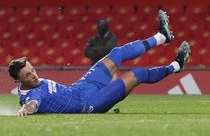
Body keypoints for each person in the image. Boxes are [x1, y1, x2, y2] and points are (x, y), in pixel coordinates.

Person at [9, 10, 190, 116]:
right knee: (137, 74)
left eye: (32, 69)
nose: (33, 75)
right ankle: (176, 66)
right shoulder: (32, 95)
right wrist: (27, 109)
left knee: (117, 52)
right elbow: (32, 103)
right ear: (18, 80)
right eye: (27, 75)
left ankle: (161, 37)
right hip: (90, 103)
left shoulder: (27, 85)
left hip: (82, 87)